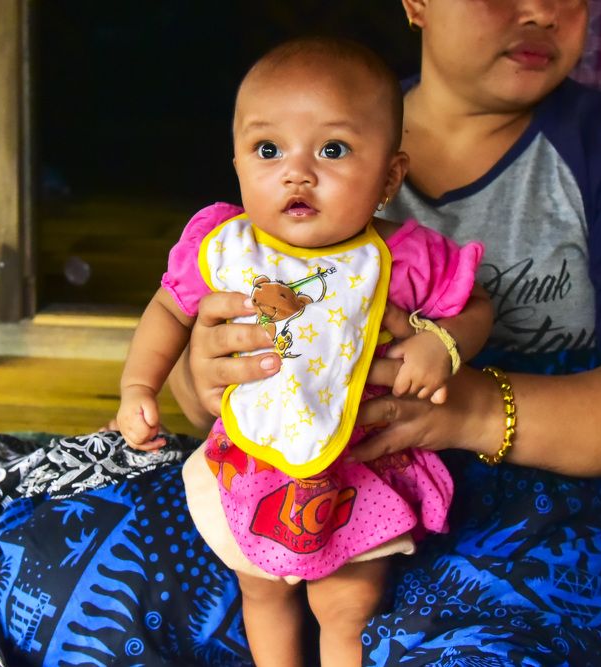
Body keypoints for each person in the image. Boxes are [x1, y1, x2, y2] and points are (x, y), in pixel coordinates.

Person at [166, 0, 601, 664]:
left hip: (541, 496)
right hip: (304, 475)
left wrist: (474, 407)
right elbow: (197, 334)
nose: (543, 11)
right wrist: (201, 371)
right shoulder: (312, 115)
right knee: (84, 579)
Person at [114, 37, 492, 667]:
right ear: (237, 162)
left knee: (344, 606)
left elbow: (477, 305)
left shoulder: (402, 258)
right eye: (268, 150)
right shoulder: (224, 246)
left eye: (333, 150)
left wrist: (444, 345)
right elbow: (168, 310)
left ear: (390, 177)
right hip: (253, 460)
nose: (297, 172)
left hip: (359, 464)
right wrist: (137, 388)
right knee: (261, 595)